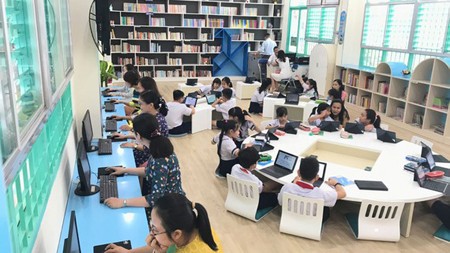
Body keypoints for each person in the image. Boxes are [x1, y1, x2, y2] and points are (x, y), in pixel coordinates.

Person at [104, 113, 184, 210]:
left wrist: (123, 202)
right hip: (167, 198)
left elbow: (154, 199)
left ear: (138, 135)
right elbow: (149, 171)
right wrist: (124, 170)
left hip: (169, 206)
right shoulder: (158, 147)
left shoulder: (160, 159)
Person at [105, 193, 223, 253]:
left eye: (155, 230)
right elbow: (162, 245)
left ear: (176, 234)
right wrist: (128, 252)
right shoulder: (190, 228)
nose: (151, 234)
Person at [277, 156, 346, 222]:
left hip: (289, 221)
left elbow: (280, 202)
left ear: (298, 172)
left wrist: (294, 183)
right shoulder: (320, 194)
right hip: (311, 224)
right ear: (316, 177)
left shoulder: (287, 187)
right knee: (326, 209)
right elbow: (343, 193)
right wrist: (336, 183)